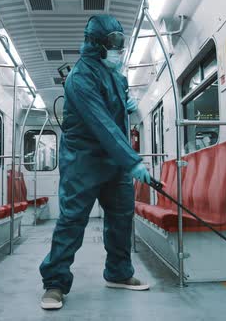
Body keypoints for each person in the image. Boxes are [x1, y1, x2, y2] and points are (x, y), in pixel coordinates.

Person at [38, 15, 152, 310]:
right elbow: (102, 124)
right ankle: (54, 283)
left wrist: (132, 108)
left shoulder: (116, 75)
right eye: (113, 43)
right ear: (96, 44)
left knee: (120, 217)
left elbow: (118, 119)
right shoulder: (80, 77)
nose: (119, 49)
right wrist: (133, 161)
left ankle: (118, 273)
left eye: (121, 43)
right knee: (72, 221)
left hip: (113, 163)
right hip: (83, 162)